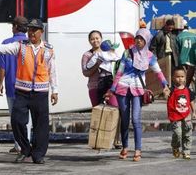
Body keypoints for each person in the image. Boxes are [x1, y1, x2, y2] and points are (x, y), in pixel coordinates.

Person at [0, 19, 58, 164]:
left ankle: (38, 154)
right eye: (29, 30)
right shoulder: (21, 46)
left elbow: (52, 71)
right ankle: (25, 148)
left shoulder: (48, 49)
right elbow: (5, 48)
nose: (31, 33)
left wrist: (55, 90)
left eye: (34, 30)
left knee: (41, 125)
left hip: (41, 92)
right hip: (22, 91)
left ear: (41, 32)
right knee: (16, 120)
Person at [105, 28, 170, 162]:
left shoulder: (150, 56)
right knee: (124, 120)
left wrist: (165, 85)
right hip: (122, 88)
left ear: (146, 41)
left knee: (136, 120)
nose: (139, 41)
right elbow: (119, 72)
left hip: (138, 90)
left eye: (142, 39)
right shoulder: (127, 53)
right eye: (137, 38)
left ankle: (138, 150)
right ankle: (125, 147)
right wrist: (112, 89)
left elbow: (158, 72)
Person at [0, 16, 32, 154]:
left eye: (12, 26)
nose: (11, 28)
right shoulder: (29, 43)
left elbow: (2, 66)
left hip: (11, 85)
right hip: (28, 86)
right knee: (27, 117)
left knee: (14, 117)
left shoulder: (6, 43)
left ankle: (18, 145)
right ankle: (26, 144)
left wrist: (0, 83)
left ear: (16, 27)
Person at [81, 31, 118, 107]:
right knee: (98, 110)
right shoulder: (87, 55)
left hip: (110, 85)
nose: (95, 41)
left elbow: (117, 64)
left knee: (114, 107)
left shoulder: (109, 52)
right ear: (89, 41)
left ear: (101, 39)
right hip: (94, 86)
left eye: (97, 38)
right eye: (92, 39)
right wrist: (97, 64)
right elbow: (85, 73)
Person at [167, 66, 195, 160]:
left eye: (182, 76)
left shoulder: (188, 90)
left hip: (186, 114)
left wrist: (194, 111)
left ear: (185, 77)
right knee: (177, 133)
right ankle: (175, 146)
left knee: (187, 133)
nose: (180, 78)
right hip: (175, 115)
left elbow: (191, 101)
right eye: (177, 76)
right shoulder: (171, 90)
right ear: (173, 78)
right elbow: (165, 94)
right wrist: (165, 92)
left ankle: (186, 151)